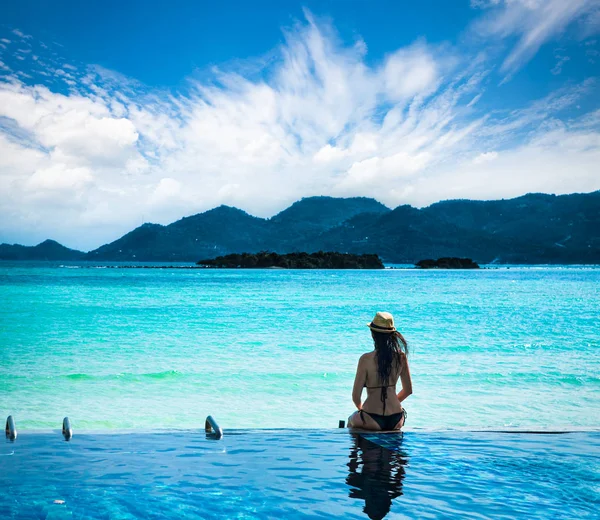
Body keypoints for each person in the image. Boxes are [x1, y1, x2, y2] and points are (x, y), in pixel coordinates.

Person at [348, 312, 412, 431]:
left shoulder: (365, 359)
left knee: (350, 420)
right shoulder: (401, 357)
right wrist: (392, 401)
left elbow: (356, 396)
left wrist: (361, 409)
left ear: (373, 334)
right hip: (397, 418)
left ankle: (359, 449)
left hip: (371, 417)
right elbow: (408, 390)